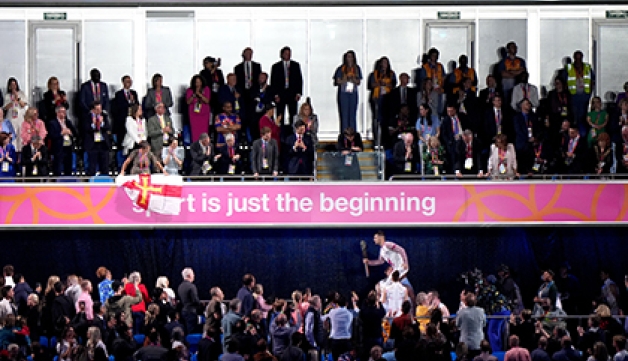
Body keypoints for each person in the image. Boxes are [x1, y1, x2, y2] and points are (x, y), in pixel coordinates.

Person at [364, 231, 415, 305]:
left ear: (381, 237)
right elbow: (380, 261)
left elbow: (401, 250)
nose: (373, 239)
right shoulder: (382, 251)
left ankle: (380, 304)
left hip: (401, 268)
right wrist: (369, 262)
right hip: (396, 270)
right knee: (381, 286)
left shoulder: (388, 244)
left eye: (375, 237)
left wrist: (406, 262)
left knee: (383, 286)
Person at [234, 47, 262, 141]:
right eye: (247, 53)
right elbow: (237, 82)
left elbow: (258, 81)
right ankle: (243, 135)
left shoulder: (257, 66)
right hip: (242, 94)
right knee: (243, 115)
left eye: (250, 53)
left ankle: (253, 136)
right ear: (243, 55)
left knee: (253, 116)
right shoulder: (238, 67)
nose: (249, 55)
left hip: (253, 94)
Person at [271, 46, 303, 124]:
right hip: (280, 94)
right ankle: (280, 133)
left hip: (292, 94)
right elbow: (273, 82)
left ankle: (293, 132)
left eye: (289, 53)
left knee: (293, 115)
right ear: (282, 54)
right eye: (286, 53)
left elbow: (299, 80)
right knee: (280, 115)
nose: (287, 55)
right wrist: (275, 95)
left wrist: (298, 93)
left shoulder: (295, 65)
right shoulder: (276, 66)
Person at [565, 51, 595, 132]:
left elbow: (592, 81)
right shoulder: (569, 67)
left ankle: (582, 136)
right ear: (574, 58)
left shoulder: (587, 67)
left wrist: (588, 94)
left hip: (584, 96)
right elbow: (564, 82)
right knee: (574, 117)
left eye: (580, 58)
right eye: (576, 58)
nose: (578, 60)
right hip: (573, 97)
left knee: (582, 117)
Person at [368, 57, 397, 140]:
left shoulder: (391, 73)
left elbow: (393, 85)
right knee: (377, 118)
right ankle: (377, 139)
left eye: (386, 63)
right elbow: (370, 85)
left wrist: (386, 84)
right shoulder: (374, 73)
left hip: (388, 97)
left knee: (386, 119)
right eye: (383, 63)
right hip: (377, 98)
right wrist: (379, 83)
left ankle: (385, 138)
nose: (384, 65)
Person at [334, 50, 363, 132]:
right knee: (344, 115)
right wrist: (345, 78)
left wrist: (353, 78)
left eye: (351, 57)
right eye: (348, 57)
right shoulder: (341, 68)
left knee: (352, 115)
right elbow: (337, 81)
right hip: (343, 93)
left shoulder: (356, 68)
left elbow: (358, 81)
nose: (349, 59)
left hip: (353, 93)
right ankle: (344, 135)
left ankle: (353, 135)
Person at [83, 101, 111, 176]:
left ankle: (105, 183)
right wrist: (93, 124)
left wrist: (101, 123)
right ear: (92, 110)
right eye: (97, 109)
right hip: (92, 145)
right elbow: (85, 129)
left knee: (105, 166)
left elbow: (108, 127)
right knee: (92, 166)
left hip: (103, 144)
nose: (99, 111)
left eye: (100, 109)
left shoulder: (104, 116)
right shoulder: (87, 117)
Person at [513, 98, 540, 175]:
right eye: (526, 104)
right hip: (521, 144)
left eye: (529, 104)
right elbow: (518, 130)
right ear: (522, 105)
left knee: (531, 164)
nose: (528, 105)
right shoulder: (517, 117)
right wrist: (527, 138)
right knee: (521, 164)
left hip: (532, 145)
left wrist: (535, 138)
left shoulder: (533, 116)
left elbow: (538, 128)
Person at [322, 295, 353, 361]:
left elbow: (322, 318)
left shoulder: (332, 312)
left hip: (335, 341)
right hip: (346, 341)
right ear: (346, 303)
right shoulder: (350, 314)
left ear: (337, 303)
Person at [48, 106, 77, 176]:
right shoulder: (52, 123)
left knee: (68, 167)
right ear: (57, 113)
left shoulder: (68, 122)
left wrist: (71, 133)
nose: (64, 113)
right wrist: (61, 133)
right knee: (58, 167)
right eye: (62, 112)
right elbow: (51, 135)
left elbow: (75, 133)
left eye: (65, 112)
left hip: (68, 147)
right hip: (59, 148)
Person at [112, 75, 140, 148]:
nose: (129, 83)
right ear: (123, 82)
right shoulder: (118, 94)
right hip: (122, 121)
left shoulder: (134, 93)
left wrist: (132, 101)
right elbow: (118, 107)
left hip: (132, 120)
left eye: (130, 81)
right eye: (127, 81)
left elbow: (137, 105)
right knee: (122, 142)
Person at [457, 293, 486, 359]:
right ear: (475, 301)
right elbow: (484, 324)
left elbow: (457, 325)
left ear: (465, 302)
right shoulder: (481, 311)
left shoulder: (461, 312)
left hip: (465, 344)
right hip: (478, 342)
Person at [3, 78, 28, 150]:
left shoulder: (21, 93)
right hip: (11, 118)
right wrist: (12, 101)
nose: (13, 86)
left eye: (15, 84)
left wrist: (18, 98)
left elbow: (23, 105)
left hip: (20, 118)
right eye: (12, 85)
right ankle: (13, 151)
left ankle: (20, 153)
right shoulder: (7, 95)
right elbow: (5, 107)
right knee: (12, 135)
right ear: (9, 86)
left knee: (20, 135)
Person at [186, 75, 211, 143]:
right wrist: (194, 95)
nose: (198, 84)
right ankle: (195, 146)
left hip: (204, 114)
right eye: (196, 82)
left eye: (199, 82)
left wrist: (200, 94)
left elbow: (207, 101)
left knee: (204, 131)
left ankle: (204, 145)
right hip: (194, 115)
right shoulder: (190, 90)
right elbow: (188, 102)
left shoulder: (206, 89)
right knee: (195, 131)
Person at [441, 105, 465, 172]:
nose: (449, 113)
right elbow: (443, 134)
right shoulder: (445, 120)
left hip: (462, 140)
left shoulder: (462, 117)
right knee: (453, 159)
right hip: (452, 142)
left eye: (451, 111)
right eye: (448, 111)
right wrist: (448, 141)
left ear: (455, 110)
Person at [178, 268, 199, 335]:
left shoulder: (180, 286)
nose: (194, 276)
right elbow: (195, 300)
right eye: (193, 274)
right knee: (192, 332)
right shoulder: (191, 286)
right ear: (189, 275)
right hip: (191, 312)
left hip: (183, 311)